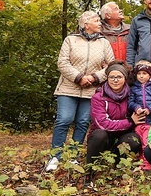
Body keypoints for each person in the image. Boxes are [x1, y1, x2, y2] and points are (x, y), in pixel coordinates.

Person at [47, 11, 115, 171]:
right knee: (64, 119)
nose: (100, 23)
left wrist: (93, 78)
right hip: (68, 88)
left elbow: (112, 67)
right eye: (96, 21)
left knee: (83, 122)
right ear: (86, 24)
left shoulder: (103, 43)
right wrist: (79, 77)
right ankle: (55, 157)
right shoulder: (70, 40)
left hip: (91, 90)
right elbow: (62, 62)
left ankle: (73, 157)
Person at [86, 62, 143, 166]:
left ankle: (117, 166)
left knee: (134, 139)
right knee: (100, 135)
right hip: (104, 136)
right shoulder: (98, 97)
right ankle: (90, 169)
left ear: (125, 78)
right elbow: (103, 124)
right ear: (107, 78)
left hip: (122, 136)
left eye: (119, 77)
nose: (115, 80)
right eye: (112, 77)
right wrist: (129, 121)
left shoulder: (131, 95)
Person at [127, 60, 151, 169]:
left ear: (150, 75)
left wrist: (150, 109)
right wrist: (136, 108)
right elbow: (130, 101)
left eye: (144, 73)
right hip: (139, 121)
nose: (141, 76)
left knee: (146, 141)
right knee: (137, 141)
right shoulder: (134, 87)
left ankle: (147, 162)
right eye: (139, 74)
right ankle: (139, 160)